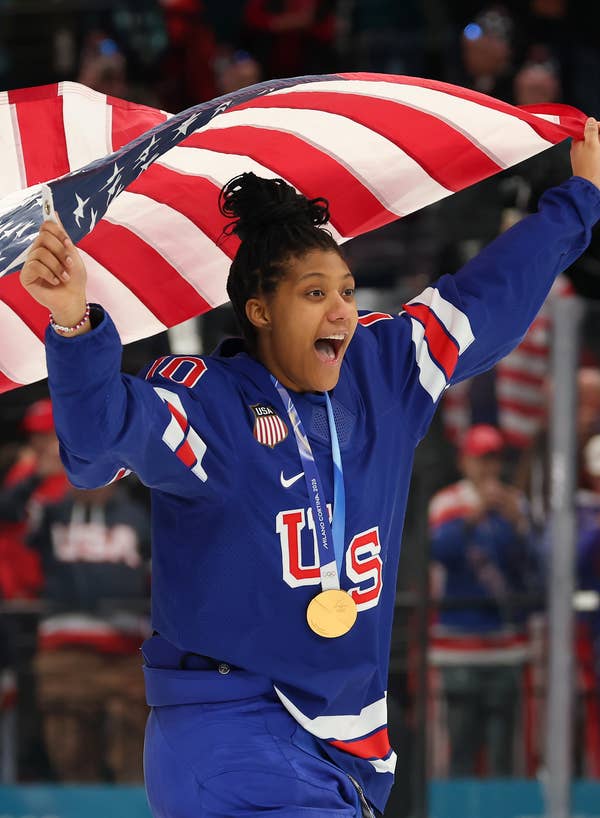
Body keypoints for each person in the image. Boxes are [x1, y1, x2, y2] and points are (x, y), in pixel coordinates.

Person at [16, 118, 600, 817]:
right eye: (315, 294)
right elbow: (96, 445)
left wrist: (583, 195)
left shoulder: (386, 371)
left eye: (349, 292)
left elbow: (489, 295)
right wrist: (76, 326)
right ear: (260, 309)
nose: (343, 312)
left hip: (343, 741)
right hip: (228, 733)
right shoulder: (208, 406)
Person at [428, 424, 537, 777]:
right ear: (465, 462)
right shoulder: (448, 502)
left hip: (505, 645)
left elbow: (531, 568)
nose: (488, 468)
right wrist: (473, 519)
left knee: (503, 753)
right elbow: (441, 552)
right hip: (458, 644)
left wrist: (519, 523)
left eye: (493, 460)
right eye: (480, 460)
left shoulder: (515, 503)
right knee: (460, 746)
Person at [28, 481, 151, 783]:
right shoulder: (49, 511)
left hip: (127, 654)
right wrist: (39, 476)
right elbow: (10, 516)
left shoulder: (137, 515)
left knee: (134, 749)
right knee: (70, 750)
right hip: (64, 653)